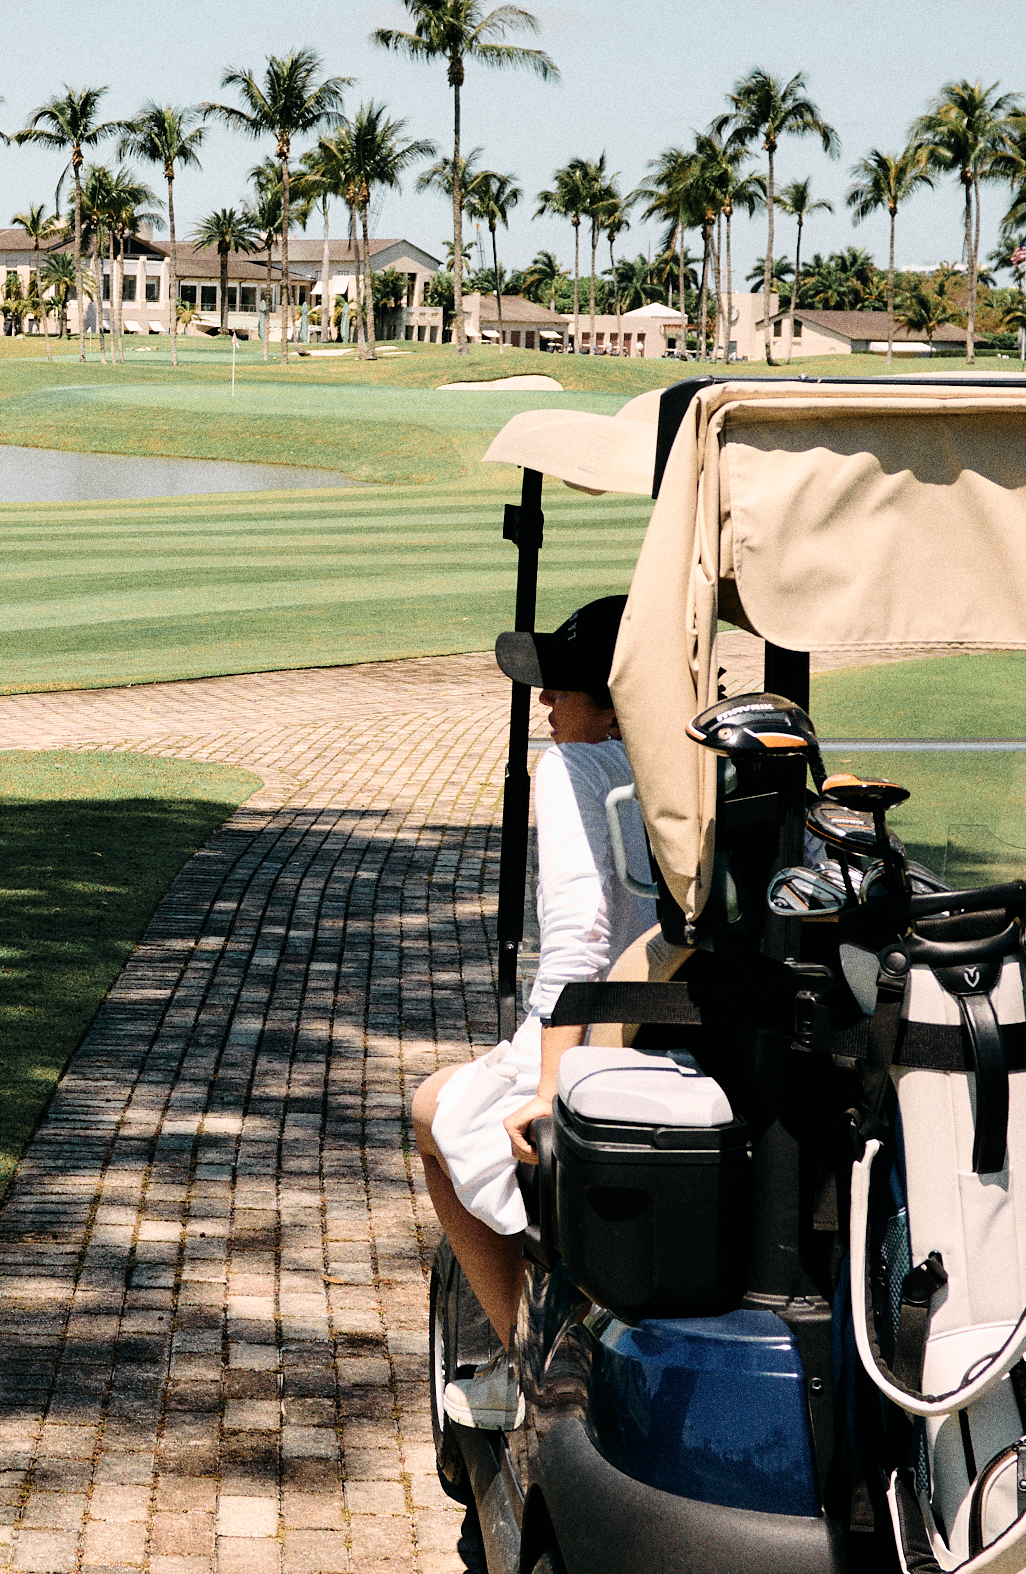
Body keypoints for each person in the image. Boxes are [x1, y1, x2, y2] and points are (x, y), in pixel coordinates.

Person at [410, 594, 651, 1430]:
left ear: (613, 703)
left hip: (593, 1037)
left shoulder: (573, 768)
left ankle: (517, 1362)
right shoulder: (696, 763)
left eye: (563, 687)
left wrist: (549, 1089)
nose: (544, 700)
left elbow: (580, 940)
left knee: (432, 1110)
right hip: (668, 1029)